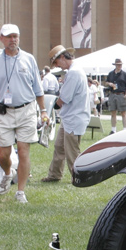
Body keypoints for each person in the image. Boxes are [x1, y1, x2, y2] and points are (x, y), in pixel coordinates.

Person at [0, 24, 47, 203]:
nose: (12, 40)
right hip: (3, 112)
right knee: (3, 155)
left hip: (26, 110)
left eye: (15, 36)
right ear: (1, 39)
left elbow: (38, 89)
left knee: (23, 151)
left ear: (19, 38)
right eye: (8, 36)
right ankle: (8, 172)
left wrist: (43, 110)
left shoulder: (29, 59)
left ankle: (20, 192)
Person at [42, 45, 90, 183]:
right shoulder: (74, 71)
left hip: (75, 117)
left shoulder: (74, 72)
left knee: (72, 151)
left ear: (63, 57)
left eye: (57, 63)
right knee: (59, 148)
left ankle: (79, 178)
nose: (58, 66)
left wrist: (51, 107)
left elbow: (65, 98)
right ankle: (54, 175)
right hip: (70, 117)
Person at [104, 58, 126, 133]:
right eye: (118, 64)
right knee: (113, 112)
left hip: (121, 94)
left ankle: (125, 130)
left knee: (123, 112)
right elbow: (105, 82)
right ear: (115, 65)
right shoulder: (111, 74)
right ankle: (113, 130)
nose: (120, 66)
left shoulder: (125, 75)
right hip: (112, 94)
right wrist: (110, 84)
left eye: (120, 64)